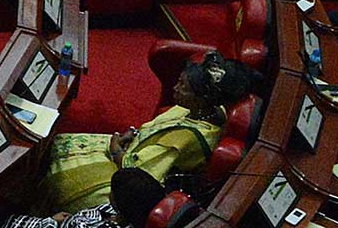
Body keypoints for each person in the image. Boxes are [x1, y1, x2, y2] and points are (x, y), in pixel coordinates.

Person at [27, 55, 250, 213]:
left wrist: (116, 148)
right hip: (135, 148)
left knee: (58, 175)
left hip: (135, 183)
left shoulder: (185, 138)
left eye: (183, 86)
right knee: (59, 142)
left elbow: (135, 172)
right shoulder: (209, 108)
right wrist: (132, 133)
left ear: (201, 98)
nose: (175, 88)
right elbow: (153, 128)